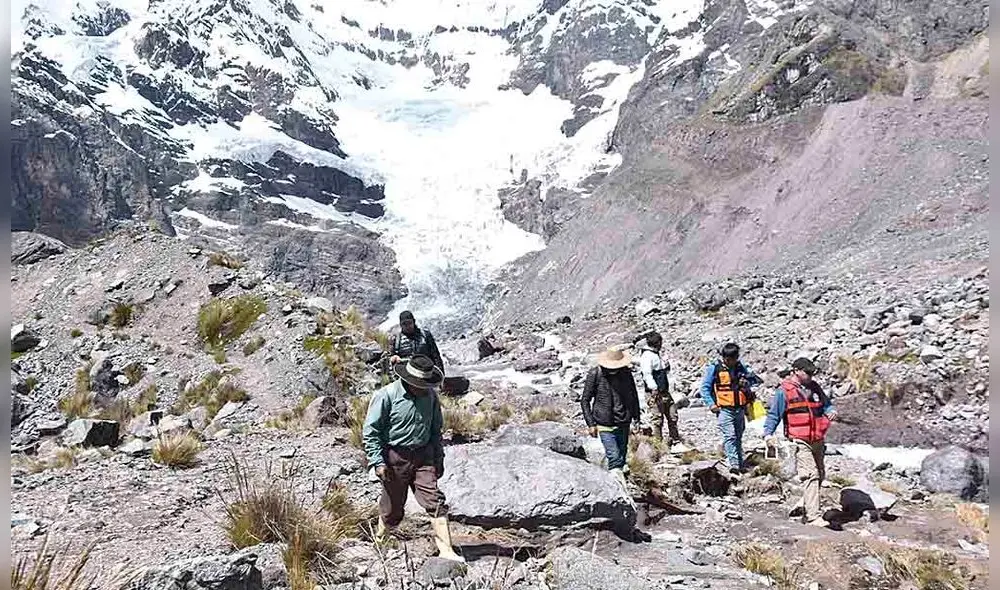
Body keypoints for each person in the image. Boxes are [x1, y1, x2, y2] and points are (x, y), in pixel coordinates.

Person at [362, 355, 464, 562]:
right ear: (408, 380)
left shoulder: (431, 397)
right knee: (392, 508)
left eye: (426, 384)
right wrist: (378, 461)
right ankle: (380, 543)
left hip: (423, 456)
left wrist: (438, 458)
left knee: (435, 501)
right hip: (394, 458)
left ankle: (446, 550)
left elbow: (436, 431)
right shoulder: (387, 395)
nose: (424, 388)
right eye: (420, 385)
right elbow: (370, 431)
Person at [763, 357, 837, 527]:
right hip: (799, 439)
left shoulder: (814, 387)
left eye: (812, 372)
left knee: (820, 473)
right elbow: (774, 415)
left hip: (817, 438)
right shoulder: (784, 391)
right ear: (796, 370)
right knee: (810, 474)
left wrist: (831, 410)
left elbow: (826, 404)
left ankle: (806, 506)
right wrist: (768, 434)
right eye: (807, 372)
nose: (811, 375)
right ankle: (813, 517)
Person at [581, 348, 642, 487]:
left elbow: (633, 395)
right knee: (613, 456)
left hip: (623, 421)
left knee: (621, 456)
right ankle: (618, 488)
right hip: (604, 423)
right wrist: (591, 423)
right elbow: (585, 400)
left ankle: (622, 482)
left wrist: (636, 417)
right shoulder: (595, 374)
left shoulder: (626, 373)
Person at [699, 342, 762, 474]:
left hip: (739, 408)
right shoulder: (714, 369)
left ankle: (739, 463)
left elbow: (755, 380)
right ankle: (734, 465)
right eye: (727, 359)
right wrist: (711, 404)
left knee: (738, 436)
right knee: (730, 436)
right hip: (724, 409)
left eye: (733, 359)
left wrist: (747, 382)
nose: (730, 362)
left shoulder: (741, 367)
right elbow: (705, 388)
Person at [636, 332, 682, 445]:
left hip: (664, 391)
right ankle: (658, 444)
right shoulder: (647, 356)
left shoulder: (655, 354)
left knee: (672, 416)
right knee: (657, 419)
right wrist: (654, 388)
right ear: (657, 343)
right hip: (655, 392)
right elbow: (647, 374)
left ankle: (675, 440)